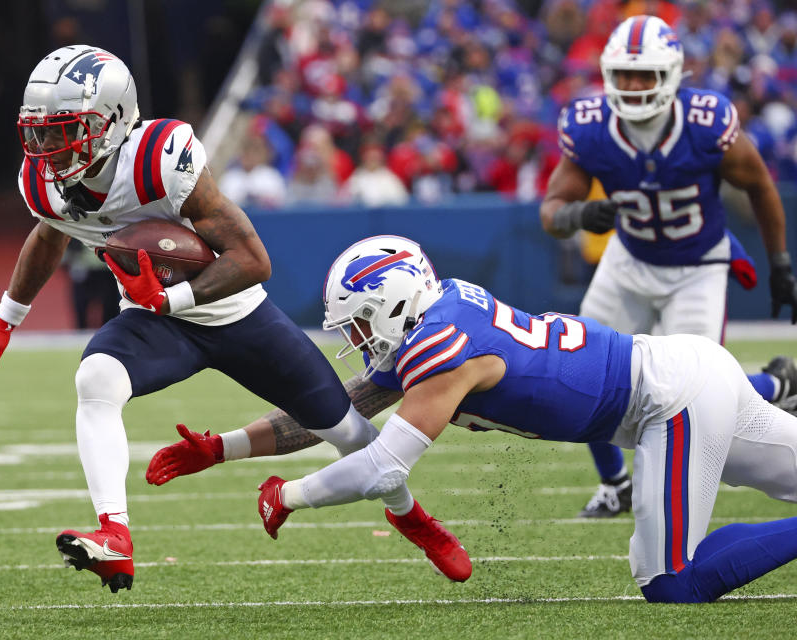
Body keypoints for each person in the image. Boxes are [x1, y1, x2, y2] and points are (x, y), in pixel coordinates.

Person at [0, 46, 467, 593]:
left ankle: (412, 518)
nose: (48, 147)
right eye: (41, 132)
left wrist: (170, 300)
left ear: (114, 119)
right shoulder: (44, 181)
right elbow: (51, 233)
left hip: (236, 315)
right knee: (94, 379)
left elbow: (252, 260)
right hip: (155, 321)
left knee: (353, 437)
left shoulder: (158, 158)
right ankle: (114, 534)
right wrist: (6, 319)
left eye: (64, 130)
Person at [255, 235, 797, 603]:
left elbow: (382, 470)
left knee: (669, 580)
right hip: (683, 372)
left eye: (358, 324)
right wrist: (222, 448)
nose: (355, 340)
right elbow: (328, 410)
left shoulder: (441, 344)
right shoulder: (441, 314)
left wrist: (291, 494)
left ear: (394, 302)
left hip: (670, 402)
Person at [539, 15, 797, 518]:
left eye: (646, 75)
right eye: (625, 74)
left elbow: (761, 185)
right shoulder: (591, 127)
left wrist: (781, 261)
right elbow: (551, 209)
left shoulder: (705, 123)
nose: (633, 86)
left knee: (696, 392)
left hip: (697, 266)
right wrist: (578, 214)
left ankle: (774, 386)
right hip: (629, 260)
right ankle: (615, 483)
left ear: (673, 75)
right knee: (580, 368)